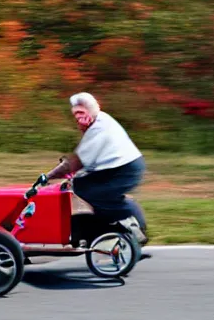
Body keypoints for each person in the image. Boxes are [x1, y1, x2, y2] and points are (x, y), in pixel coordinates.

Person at [43, 92, 147, 247]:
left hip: (125, 169)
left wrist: (49, 176)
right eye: (76, 114)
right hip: (116, 166)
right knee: (83, 186)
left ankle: (131, 228)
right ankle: (103, 230)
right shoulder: (99, 120)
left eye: (81, 113)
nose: (78, 117)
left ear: (91, 110)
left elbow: (77, 161)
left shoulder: (99, 128)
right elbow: (86, 157)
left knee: (95, 194)